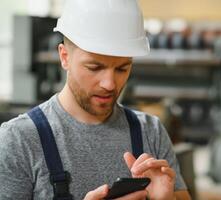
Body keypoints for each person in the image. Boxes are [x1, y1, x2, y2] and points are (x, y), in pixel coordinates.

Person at [0, 0, 191, 199]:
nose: (109, 84)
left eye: (122, 68)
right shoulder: (19, 140)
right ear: (64, 57)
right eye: (94, 67)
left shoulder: (150, 132)